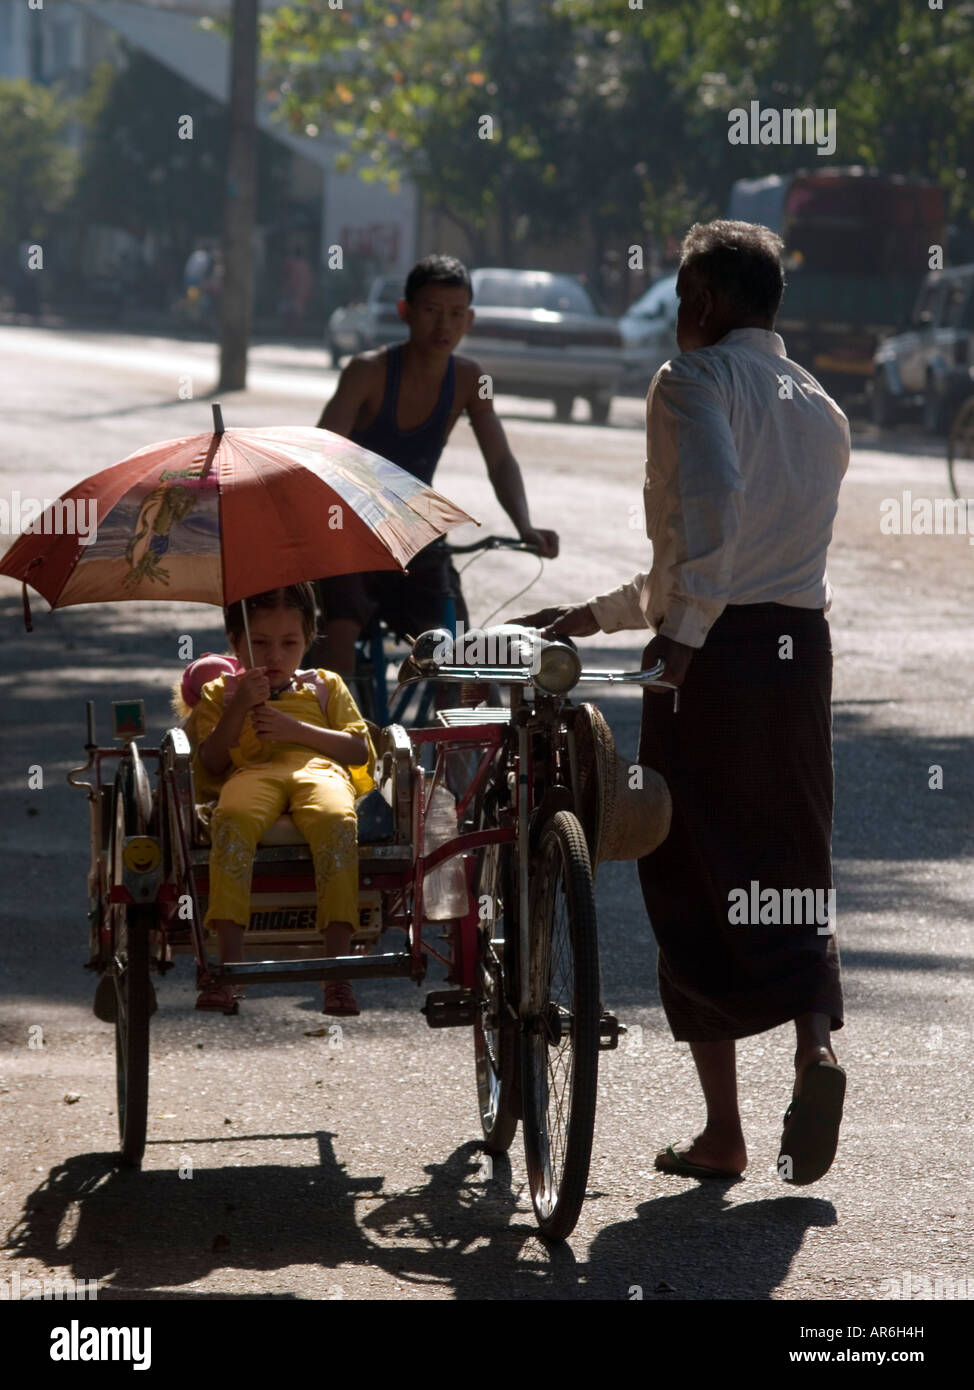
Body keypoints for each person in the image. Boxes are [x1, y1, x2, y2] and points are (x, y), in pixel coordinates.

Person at [519, 219, 850, 1187]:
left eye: (677, 297)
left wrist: (677, 643)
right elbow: (707, 555)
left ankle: (723, 1133)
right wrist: (595, 612)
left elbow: (708, 522)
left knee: (688, 863)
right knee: (792, 852)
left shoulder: (690, 382)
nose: (673, 316)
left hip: (711, 665)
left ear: (703, 302)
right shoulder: (819, 403)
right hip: (796, 656)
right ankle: (815, 1051)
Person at [311, 254, 559, 676]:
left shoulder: (470, 379)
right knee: (339, 640)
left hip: (417, 537)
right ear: (405, 312)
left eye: (456, 314)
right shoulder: (366, 373)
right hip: (351, 533)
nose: (443, 326)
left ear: (470, 319)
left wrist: (525, 525)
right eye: (431, 311)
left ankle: (462, 739)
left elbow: (499, 459)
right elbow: (319, 455)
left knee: (460, 655)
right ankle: (340, 733)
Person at [189, 584, 375, 1017]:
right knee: (231, 818)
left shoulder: (325, 685)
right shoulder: (222, 692)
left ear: (309, 639)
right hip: (249, 775)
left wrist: (295, 731)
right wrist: (240, 707)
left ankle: (336, 973)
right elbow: (212, 762)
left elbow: (357, 749)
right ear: (235, 643)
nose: (274, 656)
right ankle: (230, 970)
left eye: (289, 643)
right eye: (259, 643)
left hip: (319, 771)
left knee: (337, 821)